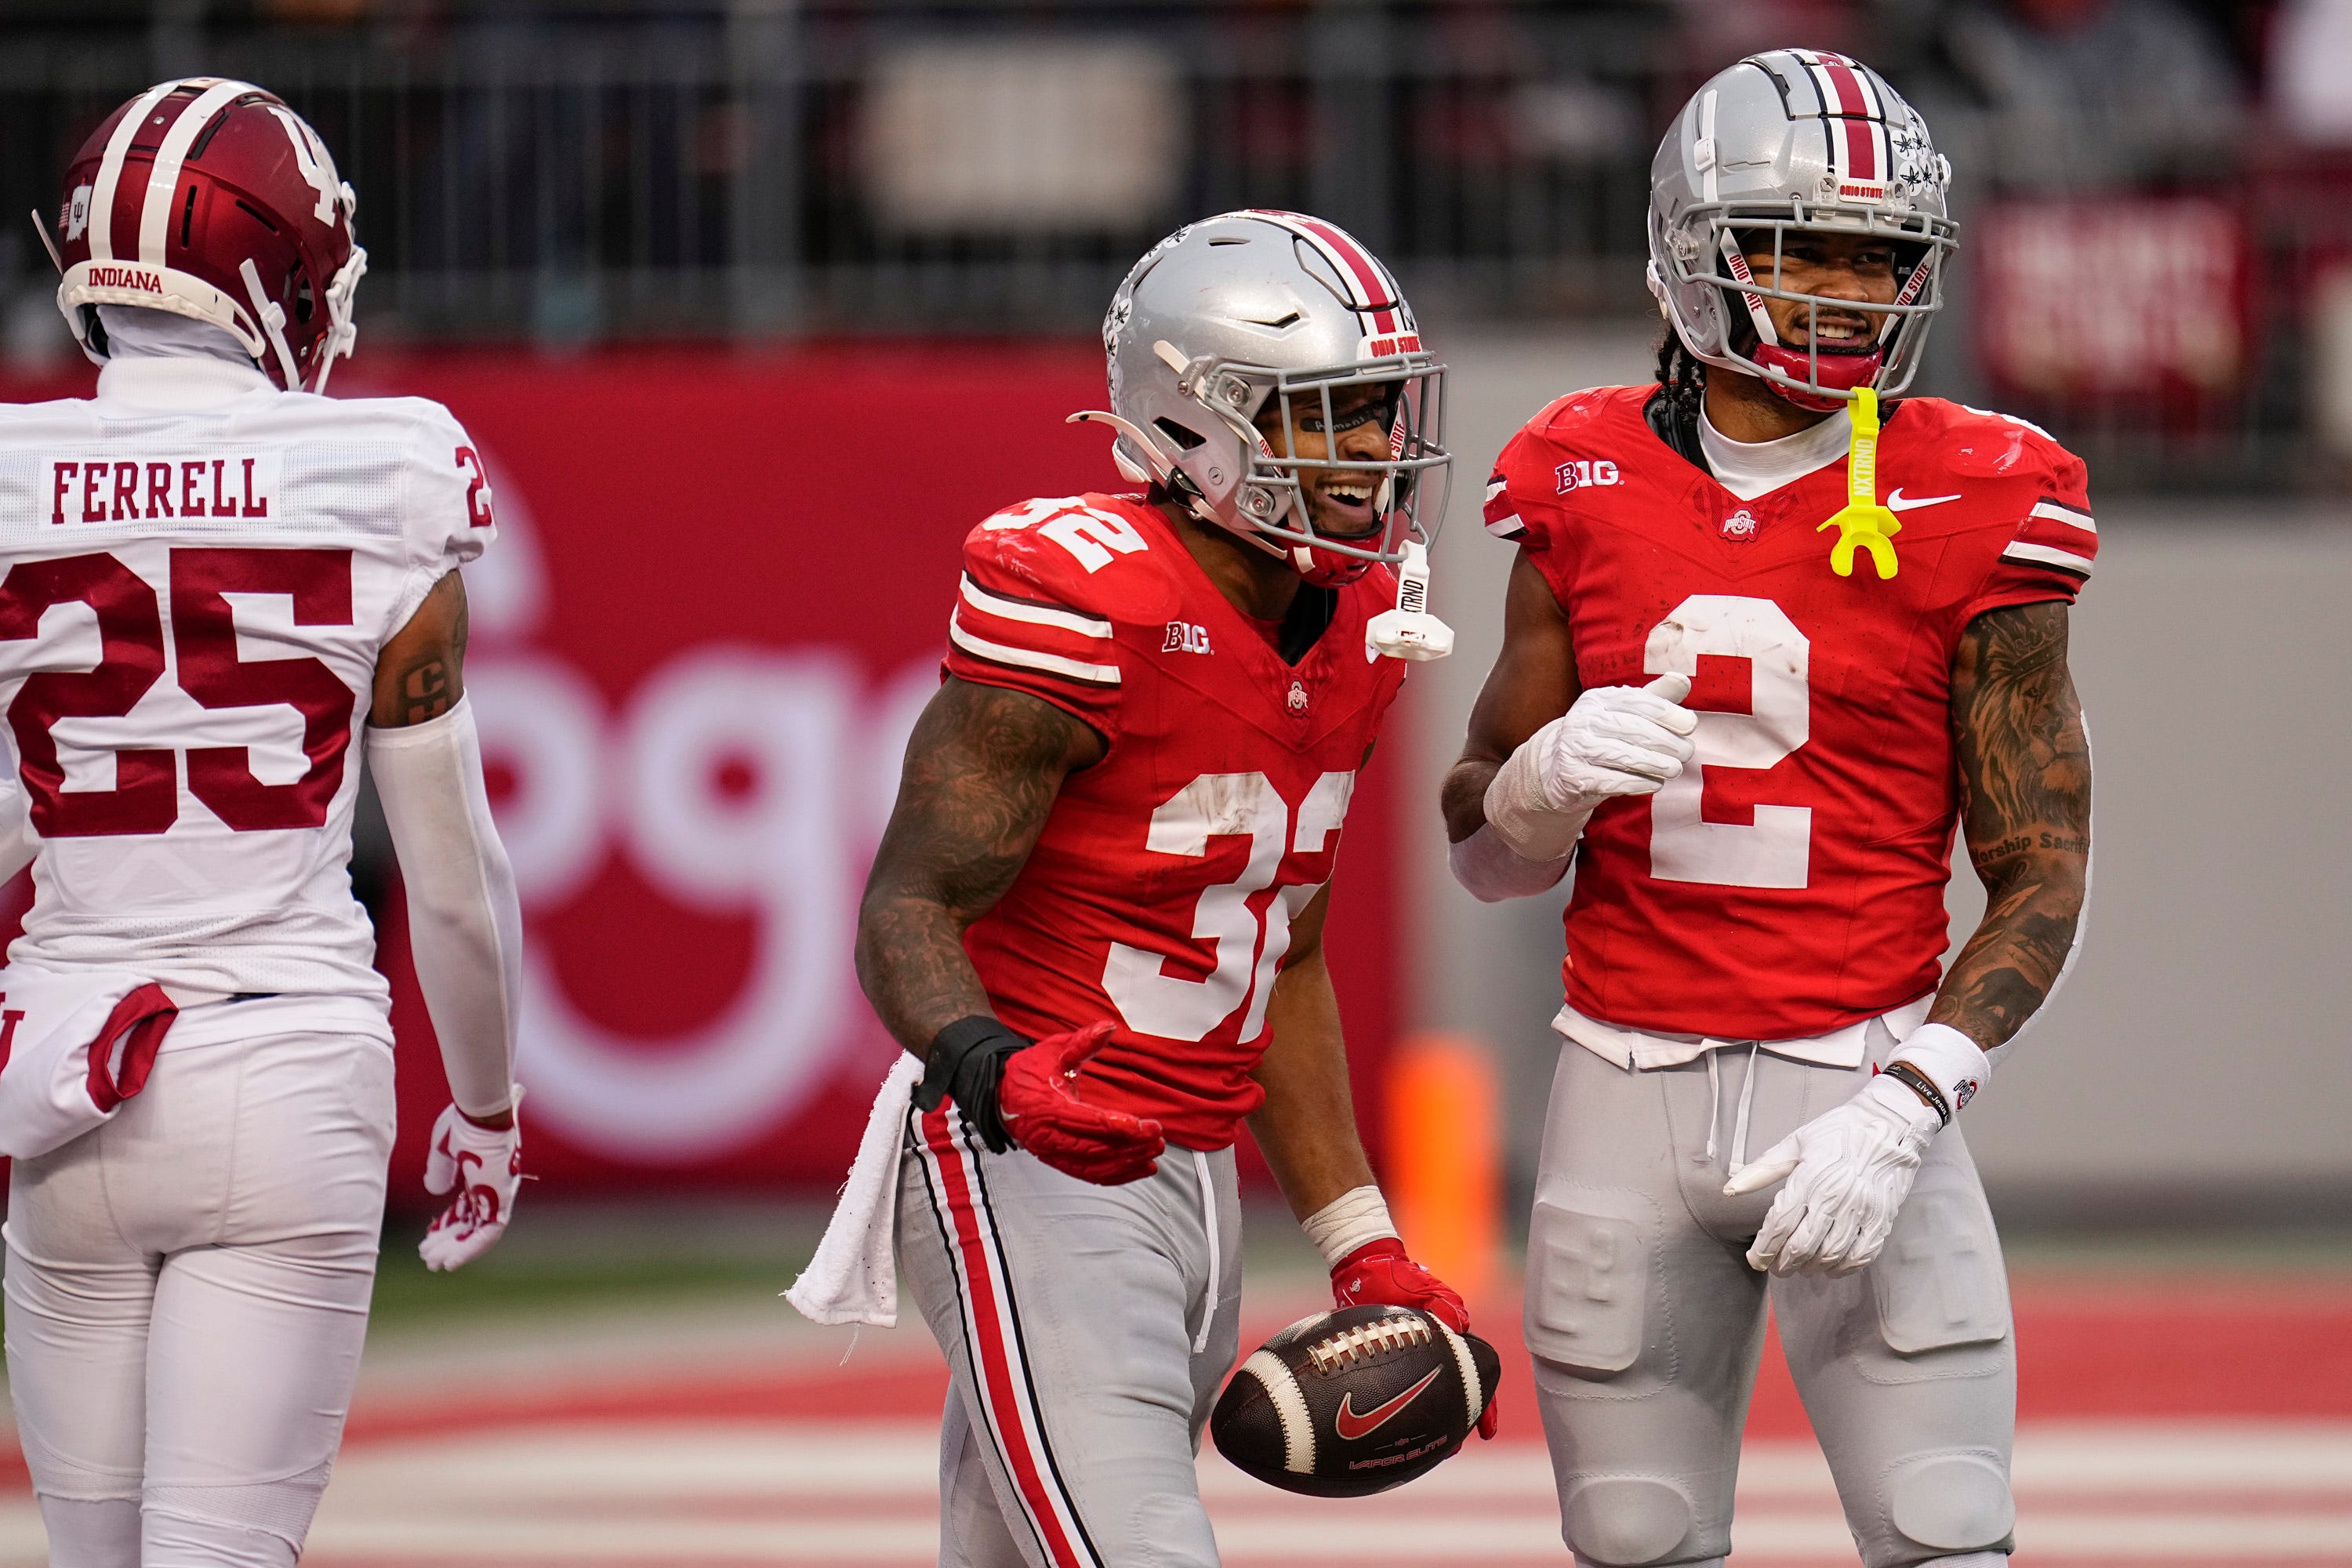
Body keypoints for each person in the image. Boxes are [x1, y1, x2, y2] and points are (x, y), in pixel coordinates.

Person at [1444, 50, 2092, 1568]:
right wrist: (1535, 791)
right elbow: (1480, 855)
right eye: (1808, 252)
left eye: (1885, 260)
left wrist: (1911, 1100)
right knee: (1634, 1537)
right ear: (1693, 247)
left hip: (1858, 1080)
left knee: (1948, 1532)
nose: (1854, 297)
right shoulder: (1577, 471)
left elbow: (2045, 871)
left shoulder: (1989, 492)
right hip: (1619, 1080)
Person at [841, 209, 1477, 1568]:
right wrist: (991, 1069)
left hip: (1196, 1170)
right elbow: (908, 905)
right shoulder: (1077, 592)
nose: (1378, 448)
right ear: (1196, 427)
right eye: (1332, 413)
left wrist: (1358, 1233)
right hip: (1030, 1153)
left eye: (1382, 409)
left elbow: (1282, 955)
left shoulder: (1360, 621)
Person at [0, 79, 524, 1568]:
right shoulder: (389, 468)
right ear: (275, 271)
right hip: (287, 1067)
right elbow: (456, 881)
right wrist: (485, 1114)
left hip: (61, 1080)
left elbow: (23, 813)